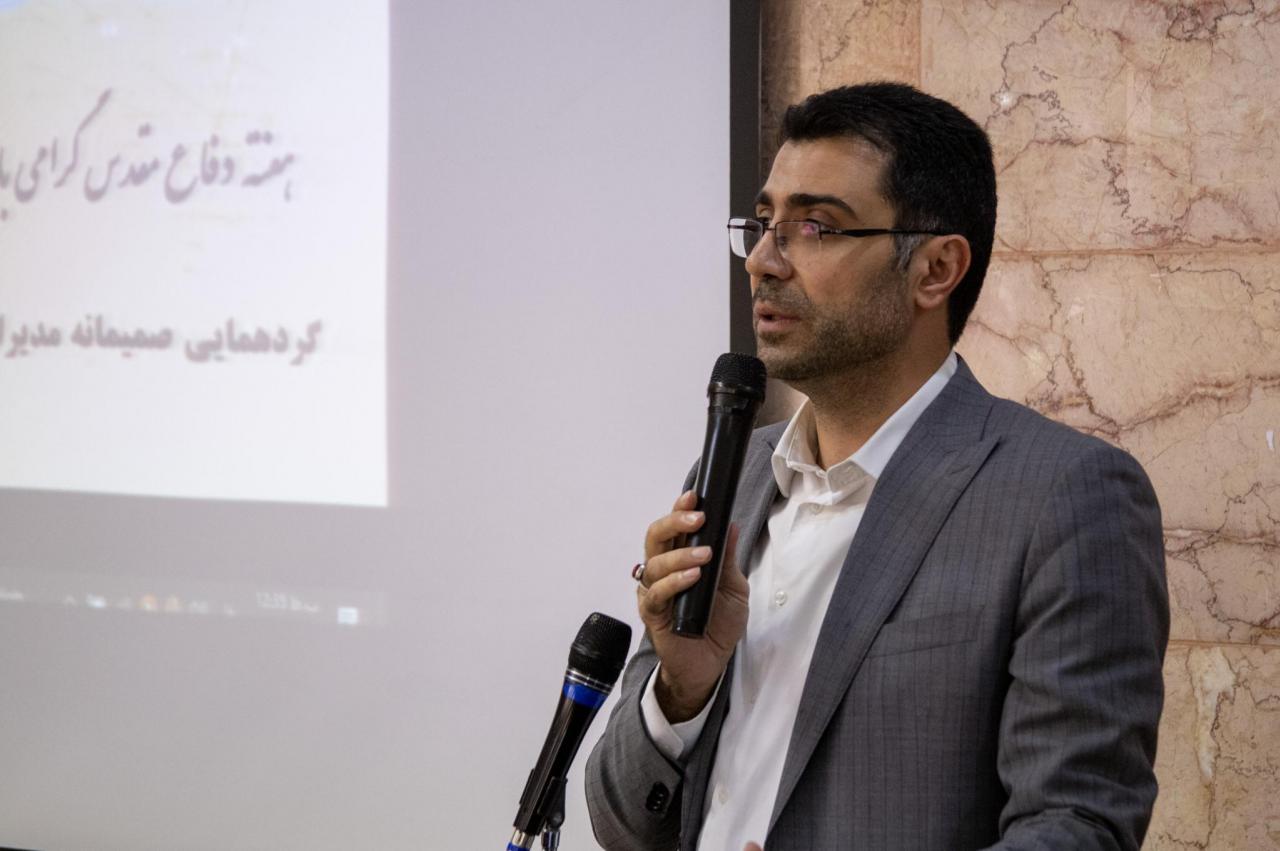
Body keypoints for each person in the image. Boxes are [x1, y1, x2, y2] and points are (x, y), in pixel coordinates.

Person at [584, 82, 1169, 850]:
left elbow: (1078, 826)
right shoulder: (731, 474)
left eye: (815, 227)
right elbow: (622, 824)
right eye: (763, 223)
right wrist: (680, 688)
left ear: (935, 269)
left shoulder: (1062, 496)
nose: (762, 261)